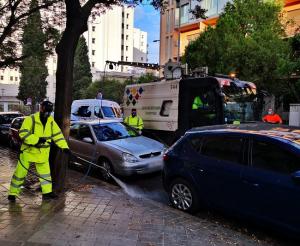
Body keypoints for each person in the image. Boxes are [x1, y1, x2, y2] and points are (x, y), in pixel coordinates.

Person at [8, 100, 70, 202]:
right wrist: (37, 139)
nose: (47, 114)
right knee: (20, 173)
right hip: (28, 152)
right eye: (46, 110)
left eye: (49, 111)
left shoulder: (50, 121)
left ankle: (47, 192)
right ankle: (12, 193)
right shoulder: (31, 119)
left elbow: (58, 135)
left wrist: (64, 147)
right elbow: (23, 133)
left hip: (42, 153)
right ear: (41, 108)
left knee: (45, 174)